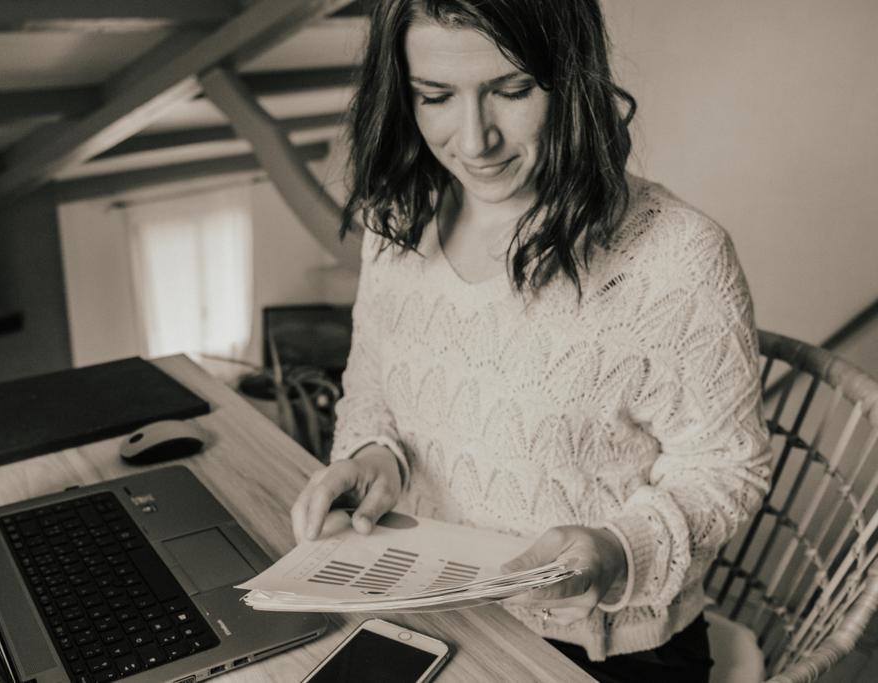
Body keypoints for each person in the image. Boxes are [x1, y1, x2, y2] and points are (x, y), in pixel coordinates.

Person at [289, 1, 772, 680]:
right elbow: (373, 388)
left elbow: (727, 466)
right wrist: (375, 458)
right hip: (429, 606)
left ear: (571, 80)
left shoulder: (676, 255)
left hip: (597, 646)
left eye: (511, 91)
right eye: (434, 96)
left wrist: (615, 549)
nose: (474, 139)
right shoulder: (396, 220)